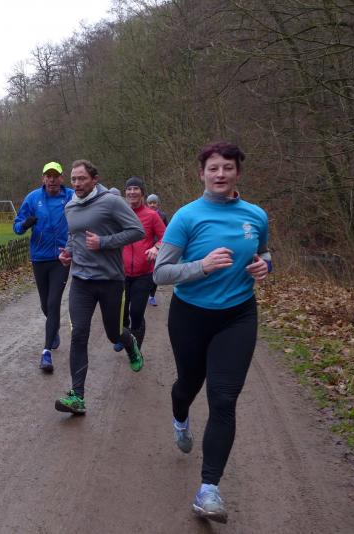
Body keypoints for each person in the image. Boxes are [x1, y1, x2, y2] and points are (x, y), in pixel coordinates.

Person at [153, 142, 271, 523]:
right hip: (190, 316)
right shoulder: (187, 217)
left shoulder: (256, 215)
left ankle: (209, 490)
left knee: (223, 399)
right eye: (213, 168)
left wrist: (265, 265)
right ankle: (180, 417)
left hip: (238, 316)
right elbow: (161, 273)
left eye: (228, 168)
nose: (220, 174)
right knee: (187, 386)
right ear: (201, 173)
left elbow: (264, 253)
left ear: (238, 173)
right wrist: (201, 266)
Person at [54, 160, 146, 415]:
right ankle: (77, 397)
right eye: (73, 179)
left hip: (110, 280)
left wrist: (104, 241)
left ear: (94, 179)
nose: (77, 183)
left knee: (113, 334)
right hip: (81, 281)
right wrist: (68, 253)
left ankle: (130, 343)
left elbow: (137, 231)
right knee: (78, 334)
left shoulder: (112, 202)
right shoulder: (70, 205)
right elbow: (74, 236)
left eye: (82, 178)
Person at [13, 161, 74, 372]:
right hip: (39, 258)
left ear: (61, 178)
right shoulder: (33, 198)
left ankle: (46, 352)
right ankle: (53, 328)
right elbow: (17, 227)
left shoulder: (71, 197)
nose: (52, 180)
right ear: (43, 178)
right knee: (45, 304)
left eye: (56, 176)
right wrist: (24, 224)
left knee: (54, 302)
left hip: (61, 258)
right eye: (48, 176)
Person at [116, 176, 165, 352]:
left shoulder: (152, 215)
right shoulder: (119, 214)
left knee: (136, 313)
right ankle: (124, 336)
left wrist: (156, 247)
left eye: (136, 188)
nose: (132, 192)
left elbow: (165, 236)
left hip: (143, 274)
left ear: (142, 193)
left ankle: (135, 349)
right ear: (125, 193)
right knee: (121, 313)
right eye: (129, 189)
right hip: (120, 273)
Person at [146, 193, 169, 306]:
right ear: (147, 204)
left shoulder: (163, 215)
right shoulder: (144, 214)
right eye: (150, 203)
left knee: (155, 271)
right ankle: (143, 293)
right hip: (146, 247)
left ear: (158, 203)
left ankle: (152, 296)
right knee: (145, 272)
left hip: (158, 248)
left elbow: (167, 231)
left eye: (154, 202)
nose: (152, 205)